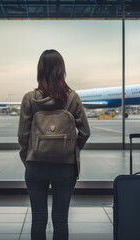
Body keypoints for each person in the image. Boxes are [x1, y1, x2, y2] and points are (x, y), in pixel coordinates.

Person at [18, 49, 90, 240]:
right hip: (65, 167)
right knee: (60, 220)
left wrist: (29, 157)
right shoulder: (73, 97)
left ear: (40, 70)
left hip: (36, 165)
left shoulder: (29, 98)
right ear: (61, 70)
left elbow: (22, 136)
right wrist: (71, 151)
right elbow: (85, 132)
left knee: (38, 219)